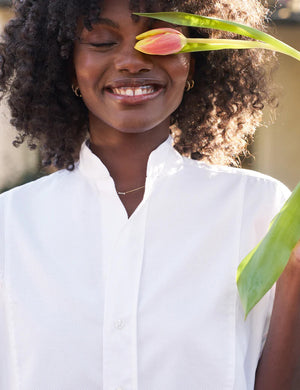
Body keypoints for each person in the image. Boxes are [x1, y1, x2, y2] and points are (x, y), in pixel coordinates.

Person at [0, 0, 299, 389]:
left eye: (159, 39)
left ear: (195, 59)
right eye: (103, 41)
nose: (132, 60)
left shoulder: (261, 212)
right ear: (67, 66)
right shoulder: (11, 225)